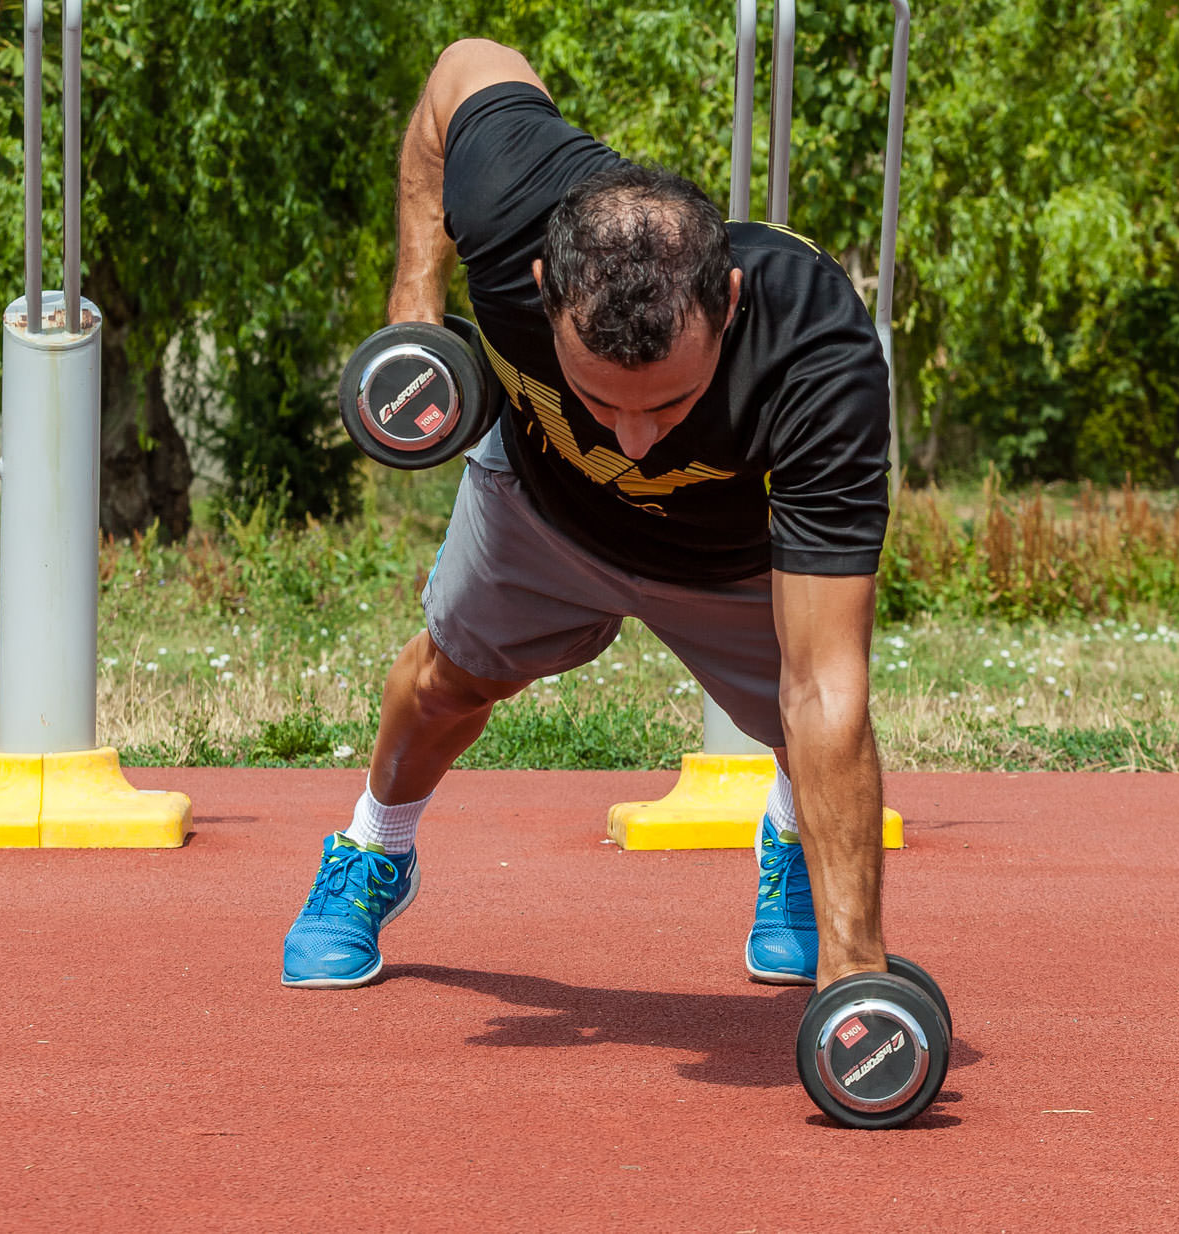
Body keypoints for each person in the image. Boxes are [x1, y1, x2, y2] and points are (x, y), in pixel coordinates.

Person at [282, 39, 892, 994]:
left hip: (724, 557)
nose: (637, 440)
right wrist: (415, 304)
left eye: (670, 403)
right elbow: (461, 70)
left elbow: (827, 684)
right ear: (540, 291)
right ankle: (374, 848)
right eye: (606, 402)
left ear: (726, 302)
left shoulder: (817, 353)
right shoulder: (512, 196)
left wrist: (859, 983)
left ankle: (796, 849)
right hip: (539, 507)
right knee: (445, 683)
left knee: (799, 721)